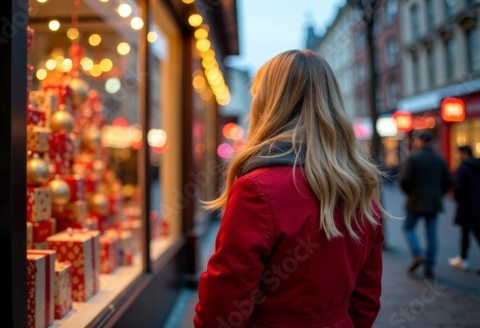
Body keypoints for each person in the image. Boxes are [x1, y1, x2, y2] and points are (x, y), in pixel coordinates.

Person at [193, 50, 387, 328]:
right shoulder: (359, 187)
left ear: (267, 104)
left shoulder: (257, 189)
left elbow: (224, 301)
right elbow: (367, 299)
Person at [399, 131, 453, 279]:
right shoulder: (440, 159)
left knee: (408, 228)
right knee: (432, 235)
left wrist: (410, 193)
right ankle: (429, 267)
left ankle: (418, 253)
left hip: (416, 201)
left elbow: (404, 180)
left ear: (420, 142)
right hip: (434, 202)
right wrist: (438, 193)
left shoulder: (414, 158)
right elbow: (449, 181)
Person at [448, 145, 480, 274]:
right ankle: (463, 258)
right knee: (470, 232)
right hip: (477, 204)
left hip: (467, 205)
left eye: (459, 153)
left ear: (465, 153)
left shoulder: (464, 168)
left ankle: (463, 260)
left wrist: (457, 198)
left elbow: (459, 187)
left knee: (468, 233)